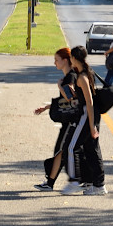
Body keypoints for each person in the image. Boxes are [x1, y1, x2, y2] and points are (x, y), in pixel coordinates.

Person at [32, 47, 81, 191]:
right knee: (61, 151)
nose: (54, 63)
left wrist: (60, 86)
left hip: (72, 121)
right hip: (69, 120)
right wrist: (47, 107)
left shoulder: (70, 76)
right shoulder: (68, 75)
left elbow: (71, 97)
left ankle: (54, 182)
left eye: (56, 60)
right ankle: (50, 182)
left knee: (62, 150)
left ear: (65, 60)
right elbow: (63, 100)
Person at [62, 45, 106, 195]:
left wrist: (92, 125)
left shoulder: (82, 77)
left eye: (71, 59)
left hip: (87, 115)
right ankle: (99, 185)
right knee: (91, 150)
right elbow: (83, 97)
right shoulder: (86, 73)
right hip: (90, 115)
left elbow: (89, 102)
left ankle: (74, 181)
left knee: (70, 147)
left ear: (74, 58)